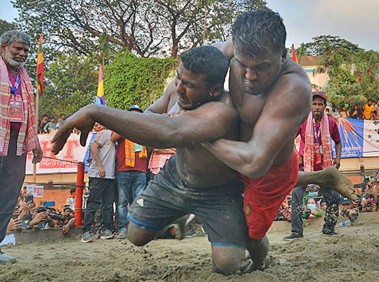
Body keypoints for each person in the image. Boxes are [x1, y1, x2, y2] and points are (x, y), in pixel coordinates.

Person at [52, 46, 249, 275]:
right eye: (178, 78)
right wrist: (166, 117)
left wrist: (96, 111)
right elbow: (150, 113)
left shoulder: (222, 111)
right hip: (175, 177)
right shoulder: (177, 89)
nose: (179, 89)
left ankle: (252, 240)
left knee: (228, 264)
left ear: (214, 90)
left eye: (190, 86)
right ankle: (180, 214)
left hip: (217, 192)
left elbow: (168, 134)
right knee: (135, 235)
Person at [204, 9, 356, 272]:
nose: (249, 76)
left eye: (261, 67)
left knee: (252, 237)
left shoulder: (295, 88)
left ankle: (262, 261)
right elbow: (193, 70)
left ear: (282, 57)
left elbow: (255, 163)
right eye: (243, 65)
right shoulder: (232, 50)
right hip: (238, 155)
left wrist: (202, 137)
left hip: (269, 168)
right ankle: (322, 176)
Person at [0, 30, 43, 264]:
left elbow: (29, 113)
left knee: (7, 195)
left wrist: (33, 142)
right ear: (3, 47)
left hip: (17, 143)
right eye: (18, 48)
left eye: (26, 50)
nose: (22, 53)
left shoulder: (25, 77)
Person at [284, 91, 343, 240]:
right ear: (310, 106)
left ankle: (329, 228)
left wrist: (337, 158)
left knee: (334, 197)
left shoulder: (330, 122)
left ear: (324, 106)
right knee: (297, 194)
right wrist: (296, 154)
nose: (317, 107)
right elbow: (290, 137)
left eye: (320, 104)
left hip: (324, 168)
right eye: (314, 104)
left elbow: (338, 141)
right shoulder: (303, 121)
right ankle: (297, 231)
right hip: (305, 167)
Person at [111, 105, 148, 239]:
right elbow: (113, 138)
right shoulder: (122, 128)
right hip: (123, 170)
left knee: (139, 201)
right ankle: (122, 228)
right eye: (132, 114)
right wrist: (127, 126)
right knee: (122, 202)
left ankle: (137, 227)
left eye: (137, 114)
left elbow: (150, 144)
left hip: (140, 170)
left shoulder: (143, 130)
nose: (135, 116)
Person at [80, 123, 116, 243]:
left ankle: (105, 229)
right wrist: (100, 166)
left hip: (109, 175)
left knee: (108, 204)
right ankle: (86, 231)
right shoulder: (104, 133)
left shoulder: (109, 135)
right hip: (98, 174)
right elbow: (94, 147)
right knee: (93, 202)